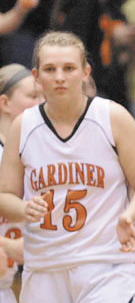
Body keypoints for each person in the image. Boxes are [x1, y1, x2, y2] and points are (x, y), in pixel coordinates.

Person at [0, 31, 135, 302]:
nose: (60, 77)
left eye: (69, 68)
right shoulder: (23, 126)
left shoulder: (112, 116)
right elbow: (4, 196)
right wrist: (24, 208)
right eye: (50, 69)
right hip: (44, 267)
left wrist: (129, 215)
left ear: (85, 72)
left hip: (106, 265)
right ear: (37, 77)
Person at [0, 64, 42, 303]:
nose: (41, 103)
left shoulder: (36, 151)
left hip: (10, 281)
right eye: (32, 96)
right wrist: (6, 244)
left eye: (42, 97)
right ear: (5, 103)